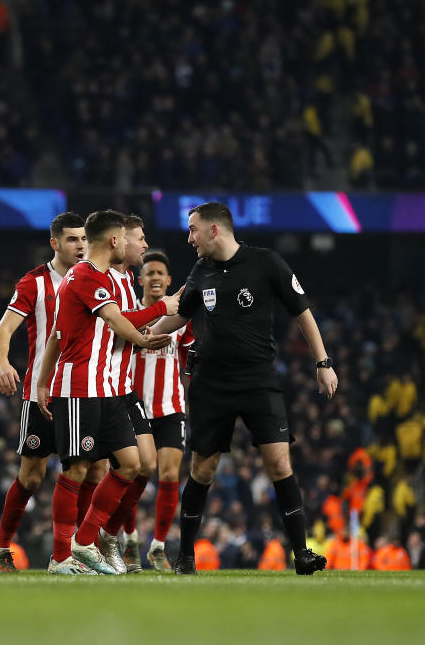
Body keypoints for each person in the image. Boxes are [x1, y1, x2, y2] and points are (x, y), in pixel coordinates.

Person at [152, 201, 337, 575]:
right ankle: (185, 557)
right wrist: (140, 335)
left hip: (258, 380)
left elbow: (303, 311)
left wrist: (323, 362)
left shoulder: (267, 263)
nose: (189, 238)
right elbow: (178, 316)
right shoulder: (201, 270)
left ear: (214, 230)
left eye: (193, 229)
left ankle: (301, 553)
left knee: (279, 462)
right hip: (211, 384)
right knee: (203, 469)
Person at [35, 210, 174, 575]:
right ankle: (61, 557)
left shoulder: (107, 281)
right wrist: (159, 312)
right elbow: (114, 321)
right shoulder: (83, 276)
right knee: (77, 469)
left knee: (131, 465)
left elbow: (62, 334)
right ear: (115, 240)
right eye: (130, 238)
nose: (136, 244)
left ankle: (86, 540)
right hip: (80, 386)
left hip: (108, 389)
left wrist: (40, 380)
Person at [0, 211, 87, 574]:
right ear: (55, 243)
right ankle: (0, 548)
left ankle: (74, 551)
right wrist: (2, 363)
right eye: (72, 239)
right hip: (40, 393)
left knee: (88, 469)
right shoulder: (34, 283)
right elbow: (3, 331)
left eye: (83, 239)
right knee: (31, 475)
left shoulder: (94, 279)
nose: (80, 246)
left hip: (82, 390)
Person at [96, 214, 179, 574]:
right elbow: (119, 329)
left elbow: (187, 355)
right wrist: (157, 315)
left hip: (160, 403)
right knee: (95, 470)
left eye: (161, 273)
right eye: (140, 239)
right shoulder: (110, 284)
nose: (144, 245)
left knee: (156, 470)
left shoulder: (126, 283)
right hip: (116, 393)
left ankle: (131, 541)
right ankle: (101, 540)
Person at [131, 250, 194, 571]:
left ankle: (157, 546)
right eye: (149, 273)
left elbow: (188, 354)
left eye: (160, 274)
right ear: (140, 279)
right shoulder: (128, 311)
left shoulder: (181, 318)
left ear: (169, 280)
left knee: (169, 474)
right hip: (134, 406)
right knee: (137, 472)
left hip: (170, 406)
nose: (155, 278)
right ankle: (128, 538)